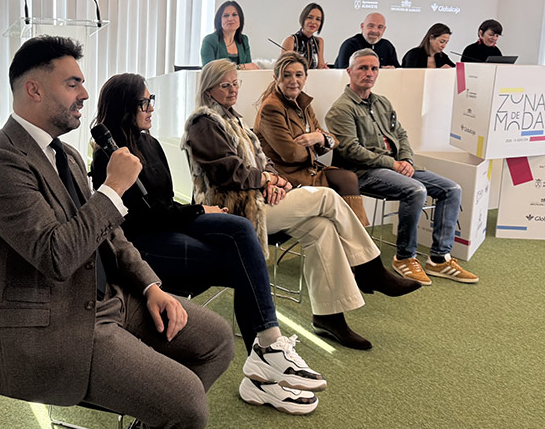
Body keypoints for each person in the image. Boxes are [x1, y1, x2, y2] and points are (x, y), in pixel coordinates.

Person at [0, 36, 235, 429]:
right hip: (53, 328)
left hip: (108, 300)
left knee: (217, 340)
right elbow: (56, 256)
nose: (85, 94)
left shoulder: (67, 155)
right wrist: (113, 189)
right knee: (187, 401)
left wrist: (150, 287)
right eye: (72, 83)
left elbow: (111, 235)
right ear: (34, 90)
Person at [91, 73, 323, 415]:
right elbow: (142, 218)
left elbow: (163, 203)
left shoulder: (150, 143)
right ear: (125, 107)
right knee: (242, 264)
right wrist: (199, 210)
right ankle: (264, 371)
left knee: (240, 229)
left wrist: (197, 211)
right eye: (144, 102)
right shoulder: (109, 158)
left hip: (167, 224)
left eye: (151, 100)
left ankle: (268, 352)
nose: (151, 107)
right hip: (143, 242)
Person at [182, 59, 421, 351]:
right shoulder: (203, 122)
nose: (233, 89)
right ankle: (371, 269)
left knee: (321, 228)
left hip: (259, 199)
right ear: (209, 89)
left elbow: (264, 160)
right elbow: (229, 173)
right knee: (328, 197)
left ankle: (329, 316)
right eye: (225, 85)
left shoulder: (234, 118)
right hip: (234, 211)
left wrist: (275, 181)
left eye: (235, 83)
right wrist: (270, 179)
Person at [325, 49, 479, 288]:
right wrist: (393, 163)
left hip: (396, 166)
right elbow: (351, 151)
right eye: (363, 68)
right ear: (349, 71)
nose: (369, 73)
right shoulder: (341, 109)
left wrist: (406, 159)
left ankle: (439, 259)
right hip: (363, 172)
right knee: (415, 190)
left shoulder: (382, 102)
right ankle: (405, 257)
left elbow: (401, 134)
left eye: (374, 68)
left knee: (451, 189)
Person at [253, 52, 370, 227]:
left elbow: (332, 141)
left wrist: (319, 137)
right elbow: (291, 154)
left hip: (309, 170)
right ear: (276, 77)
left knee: (348, 178)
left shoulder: (303, 103)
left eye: (298, 75)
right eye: (287, 75)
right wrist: (315, 145)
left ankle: (356, 235)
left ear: (305, 77)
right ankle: (354, 237)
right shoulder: (271, 107)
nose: (294, 80)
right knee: (344, 183)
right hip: (287, 176)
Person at [200, 0, 260, 70]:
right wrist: (241, 67)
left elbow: (249, 68)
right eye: (226, 15)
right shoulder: (210, 40)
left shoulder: (244, 40)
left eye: (234, 15)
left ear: (240, 19)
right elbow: (208, 70)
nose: (230, 19)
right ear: (219, 20)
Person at [333, 12, 399, 69]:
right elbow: (344, 71)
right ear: (362, 26)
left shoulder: (387, 46)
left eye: (380, 27)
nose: (375, 30)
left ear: (384, 29)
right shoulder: (350, 45)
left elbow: (398, 70)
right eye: (371, 26)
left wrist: (392, 70)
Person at [280, 3, 328, 70]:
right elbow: (285, 69)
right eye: (310, 17)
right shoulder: (290, 40)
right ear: (303, 18)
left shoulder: (319, 41)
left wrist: (324, 69)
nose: (313, 22)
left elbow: (320, 67)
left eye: (318, 19)